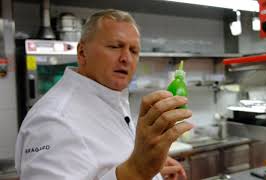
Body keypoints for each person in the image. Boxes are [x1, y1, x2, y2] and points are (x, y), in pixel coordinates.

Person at [15, 9, 193, 180]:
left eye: (134, 51)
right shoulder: (53, 121)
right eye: (115, 46)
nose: (126, 58)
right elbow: (130, 172)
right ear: (82, 53)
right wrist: (137, 171)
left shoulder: (110, 99)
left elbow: (108, 165)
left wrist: (151, 172)